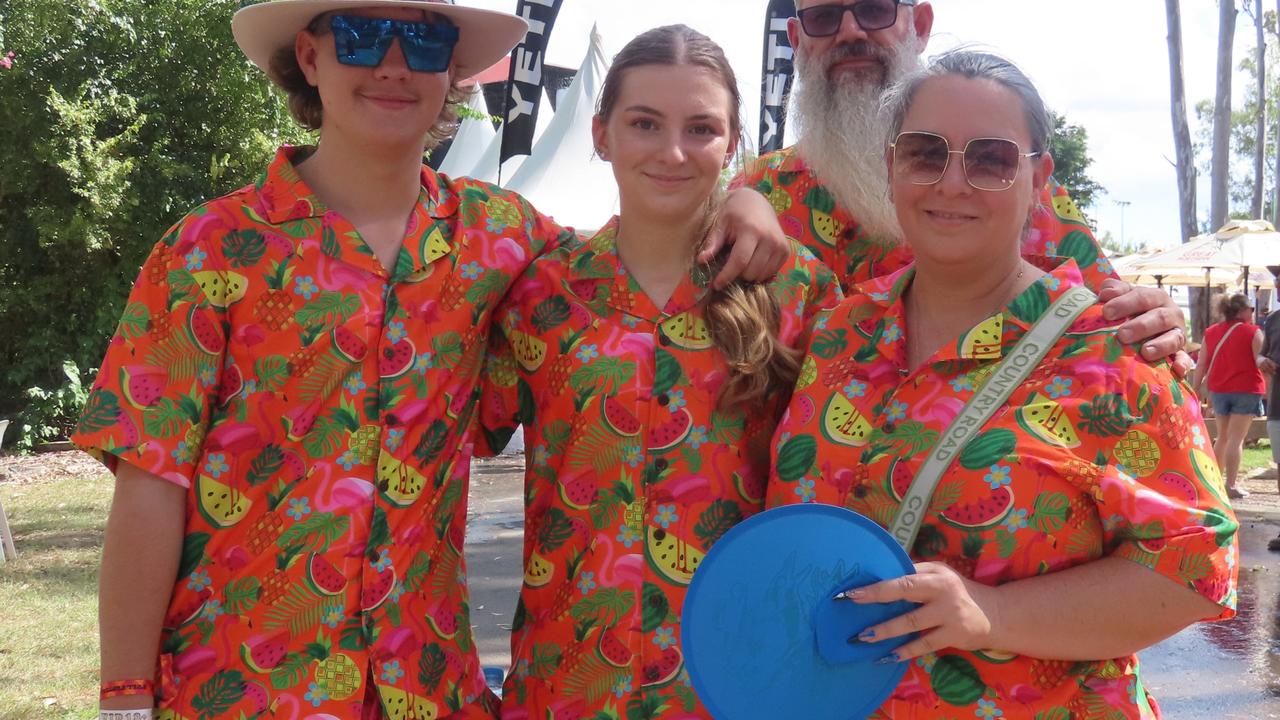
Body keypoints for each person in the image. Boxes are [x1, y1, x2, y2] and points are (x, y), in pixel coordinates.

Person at [74, 2, 789, 718]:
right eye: (359, 36)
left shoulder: (504, 241)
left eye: (423, 40)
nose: (393, 63)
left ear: (452, 70)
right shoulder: (209, 247)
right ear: (311, 57)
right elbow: (150, 482)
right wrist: (126, 697)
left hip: (427, 686)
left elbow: (641, 244)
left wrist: (747, 199)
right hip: (244, 685)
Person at [768, 50, 1238, 718]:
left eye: (989, 159)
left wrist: (992, 613)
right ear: (892, 164)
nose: (952, 183)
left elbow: (1197, 573)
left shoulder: (1114, 352)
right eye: (926, 153)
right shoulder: (841, 332)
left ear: (1038, 177)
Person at [476, 25, 841, 719]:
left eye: (701, 128)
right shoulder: (538, 292)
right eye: (645, 122)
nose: (672, 151)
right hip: (566, 679)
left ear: (733, 144)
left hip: (739, 681)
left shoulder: (800, 293)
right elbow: (448, 436)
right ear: (601, 132)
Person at [737, 0, 1191, 364]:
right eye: (824, 17)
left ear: (921, 24)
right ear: (796, 40)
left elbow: (1108, 310)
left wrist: (1155, 318)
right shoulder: (759, 190)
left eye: (875, 10)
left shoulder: (1009, 180)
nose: (851, 32)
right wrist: (731, 204)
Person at [1193, 293, 1266, 500]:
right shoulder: (1253, 332)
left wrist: (1195, 387)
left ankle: (1215, 482)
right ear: (1243, 311)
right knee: (1237, 439)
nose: (1252, 313)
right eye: (1250, 309)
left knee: (1223, 437)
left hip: (1219, 390)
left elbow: (1201, 364)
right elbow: (1260, 361)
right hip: (1246, 388)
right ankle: (1231, 485)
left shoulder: (1211, 332)